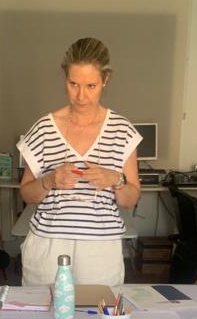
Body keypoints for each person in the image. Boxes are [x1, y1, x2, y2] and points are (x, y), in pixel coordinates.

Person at [16, 37, 142, 287]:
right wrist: (49, 180)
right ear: (65, 79)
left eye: (91, 86)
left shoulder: (122, 131)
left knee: (97, 311)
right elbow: (27, 194)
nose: (81, 96)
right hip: (48, 248)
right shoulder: (44, 128)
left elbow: (130, 199)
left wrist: (115, 179)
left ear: (105, 80)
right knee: (42, 309)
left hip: (100, 253)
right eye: (73, 84)